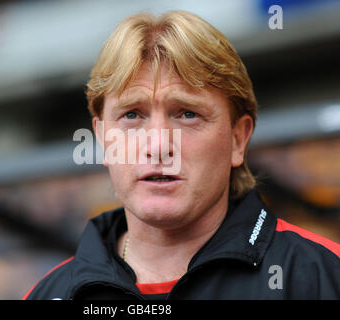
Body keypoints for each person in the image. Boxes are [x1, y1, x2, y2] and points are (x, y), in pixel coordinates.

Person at [23, 10, 340, 300]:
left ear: (237, 139)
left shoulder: (321, 277)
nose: (159, 145)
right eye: (132, 115)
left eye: (187, 114)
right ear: (104, 140)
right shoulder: (49, 294)